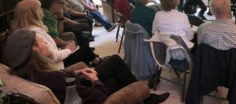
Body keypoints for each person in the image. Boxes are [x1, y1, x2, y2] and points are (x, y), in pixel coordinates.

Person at [5, 29, 170, 104]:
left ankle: (145, 98)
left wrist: (76, 72)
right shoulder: (51, 79)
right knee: (119, 78)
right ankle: (144, 96)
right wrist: (95, 79)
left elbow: (61, 79)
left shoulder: (31, 72)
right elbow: (98, 97)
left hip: (77, 83)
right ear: (35, 50)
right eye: (40, 40)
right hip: (92, 93)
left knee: (114, 61)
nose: (45, 41)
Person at [11, 0, 99, 69]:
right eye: (39, 9)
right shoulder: (34, 33)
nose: (42, 10)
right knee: (84, 50)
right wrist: (68, 49)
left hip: (56, 60)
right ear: (32, 14)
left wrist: (64, 49)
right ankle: (97, 63)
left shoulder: (26, 31)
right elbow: (53, 57)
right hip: (57, 66)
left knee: (82, 50)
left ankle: (94, 64)